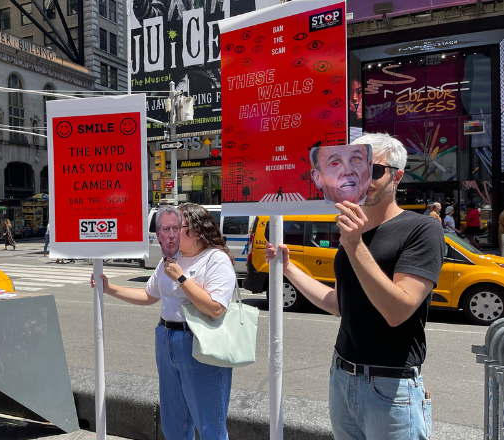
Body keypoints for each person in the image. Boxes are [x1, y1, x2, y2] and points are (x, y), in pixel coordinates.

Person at [266, 132, 443, 440]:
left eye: (374, 169)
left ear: (397, 176)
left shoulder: (422, 229)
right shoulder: (354, 233)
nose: (362, 177)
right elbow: (339, 303)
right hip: (342, 375)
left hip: (390, 384)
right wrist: (288, 268)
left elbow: (398, 310)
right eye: (356, 165)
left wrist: (354, 245)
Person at [91, 204, 236, 439]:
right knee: (174, 422)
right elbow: (150, 295)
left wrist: (181, 277)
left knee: (210, 424)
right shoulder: (170, 259)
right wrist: (109, 288)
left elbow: (215, 307)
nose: (170, 234)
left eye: (177, 227)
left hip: (200, 342)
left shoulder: (215, 259)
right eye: (167, 228)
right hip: (166, 338)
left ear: (197, 230)